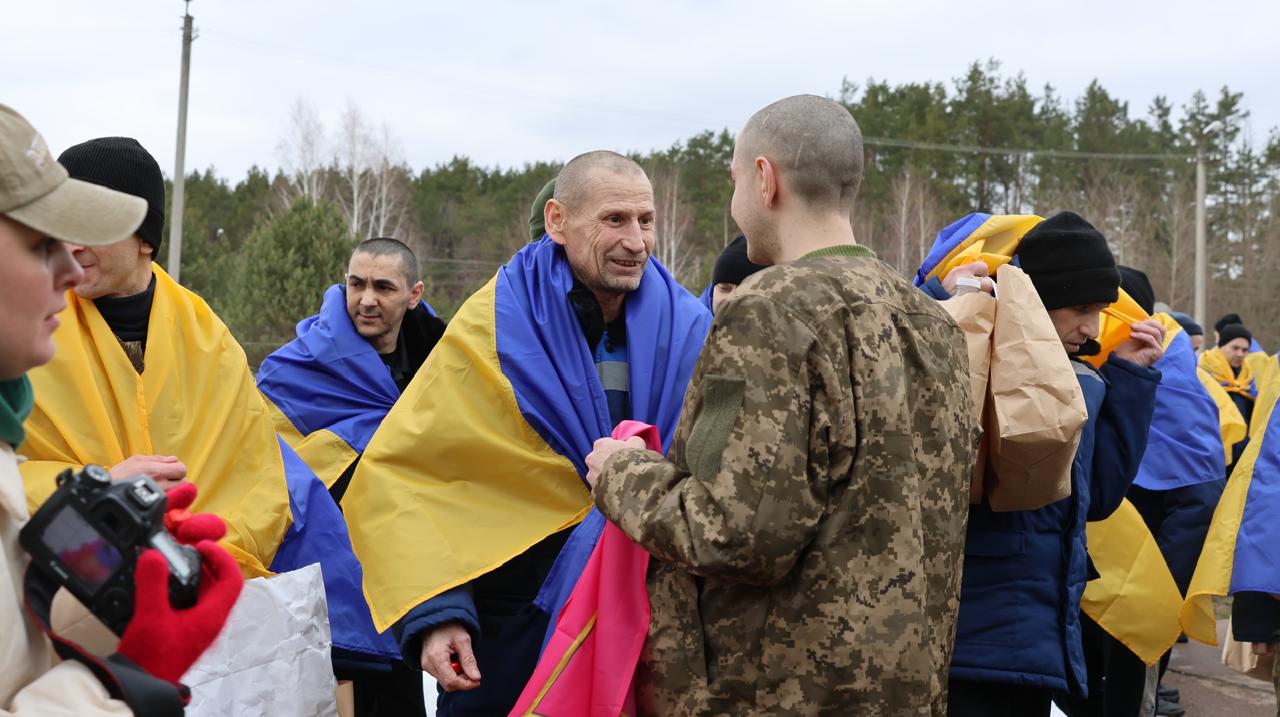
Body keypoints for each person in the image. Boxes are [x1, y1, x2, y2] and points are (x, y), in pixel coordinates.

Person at [584, 94, 976, 715]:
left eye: (735, 180)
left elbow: (733, 532)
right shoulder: (934, 321)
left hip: (773, 692)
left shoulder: (771, 309)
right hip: (906, 691)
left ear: (765, 180)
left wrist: (621, 474)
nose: (735, 201)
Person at [343, 150, 711, 716]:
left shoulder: (692, 331)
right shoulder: (492, 327)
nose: (636, 241)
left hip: (651, 629)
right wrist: (438, 614)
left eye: (646, 220)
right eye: (614, 220)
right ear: (557, 221)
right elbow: (412, 476)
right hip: (509, 631)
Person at [0, 103, 241, 716]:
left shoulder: (211, 338)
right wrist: (130, 683)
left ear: (146, 241)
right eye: (41, 242)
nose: (67, 263)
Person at [938, 212, 1165, 716]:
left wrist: (1130, 378)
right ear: (1035, 299)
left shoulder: (1079, 379)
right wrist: (955, 309)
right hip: (969, 643)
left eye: (1101, 310)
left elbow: (1097, 498)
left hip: (1036, 639)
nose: (1092, 328)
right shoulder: (971, 356)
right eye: (1080, 308)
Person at [257, 237, 446, 717]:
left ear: (414, 294)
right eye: (356, 284)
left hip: (405, 575)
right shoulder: (296, 367)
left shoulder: (441, 371)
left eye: (384, 287)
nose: (366, 299)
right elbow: (262, 459)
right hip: (322, 574)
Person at [1200, 322, 1257, 471]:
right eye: (1235, 348)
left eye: (1245, 350)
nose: (1240, 354)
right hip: (1211, 451)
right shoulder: (1204, 373)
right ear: (1221, 346)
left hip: (1241, 453)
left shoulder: (1247, 379)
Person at [695, 234, 769, 313]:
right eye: (724, 289)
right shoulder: (692, 318)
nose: (730, 299)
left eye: (743, 292)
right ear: (713, 290)